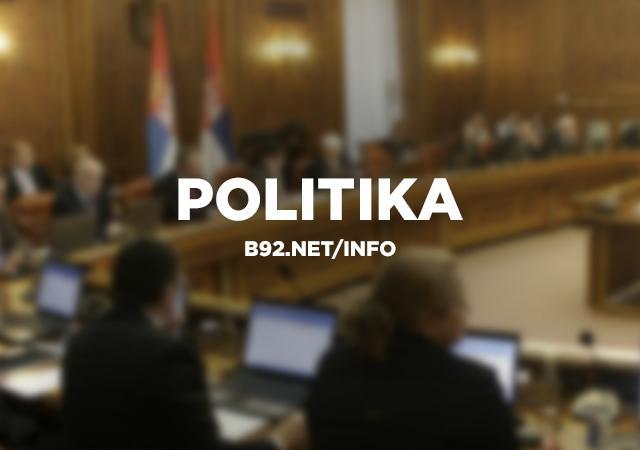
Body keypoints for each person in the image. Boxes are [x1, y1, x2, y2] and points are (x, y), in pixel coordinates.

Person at [62, 240, 305, 450]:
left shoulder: (81, 341)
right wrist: (278, 440)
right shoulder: (169, 355)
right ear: (168, 294)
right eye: (182, 287)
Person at [306, 248, 517, 450]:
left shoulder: (334, 363)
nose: (464, 314)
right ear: (429, 319)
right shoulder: (474, 387)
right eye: (460, 305)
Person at [52, 154, 119, 239]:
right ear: (80, 178)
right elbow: (71, 234)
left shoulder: (102, 195)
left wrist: (114, 225)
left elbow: (109, 219)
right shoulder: (63, 201)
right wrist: (104, 232)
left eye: (100, 179)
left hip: (102, 243)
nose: (99, 184)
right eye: (95, 179)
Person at [156, 147, 209, 222]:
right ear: (183, 165)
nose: (198, 168)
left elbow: (209, 207)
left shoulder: (200, 183)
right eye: (194, 164)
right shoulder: (169, 184)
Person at [0, 173, 24, 275]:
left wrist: (16, 255)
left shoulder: (3, 213)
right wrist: (2, 267)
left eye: (3, 194)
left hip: (8, 271)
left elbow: (17, 240)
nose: (2, 200)